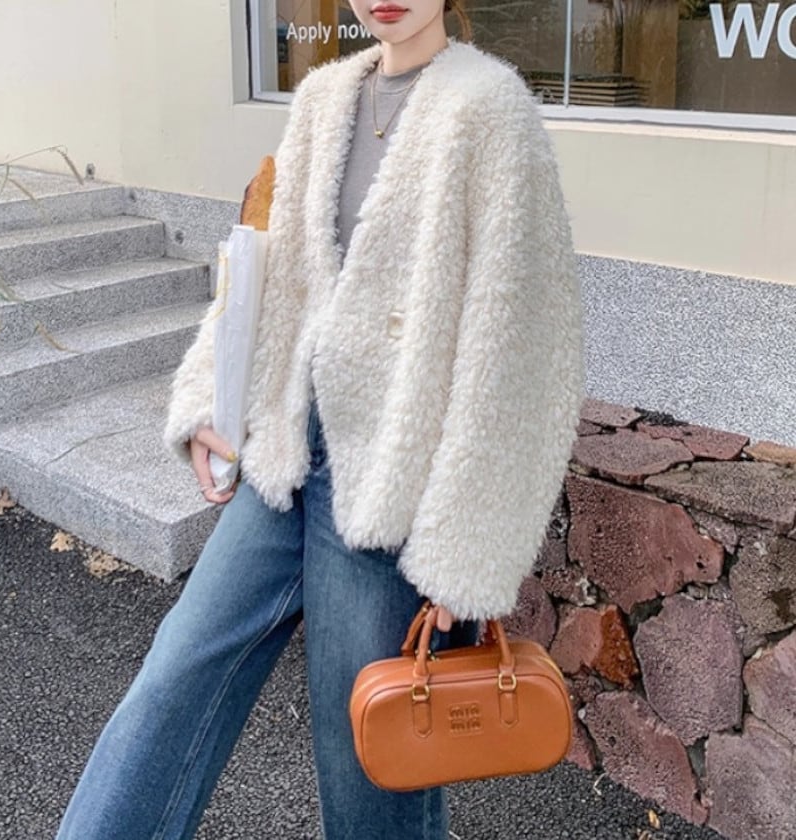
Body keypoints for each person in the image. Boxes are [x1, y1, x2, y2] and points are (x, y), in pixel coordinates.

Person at [55, 1, 583, 838]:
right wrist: (211, 399)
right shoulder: (324, 98)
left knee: (368, 763)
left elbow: (521, 345)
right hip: (284, 453)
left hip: (387, 487)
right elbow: (269, 272)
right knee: (172, 682)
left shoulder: (491, 108)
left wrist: (465, 549)